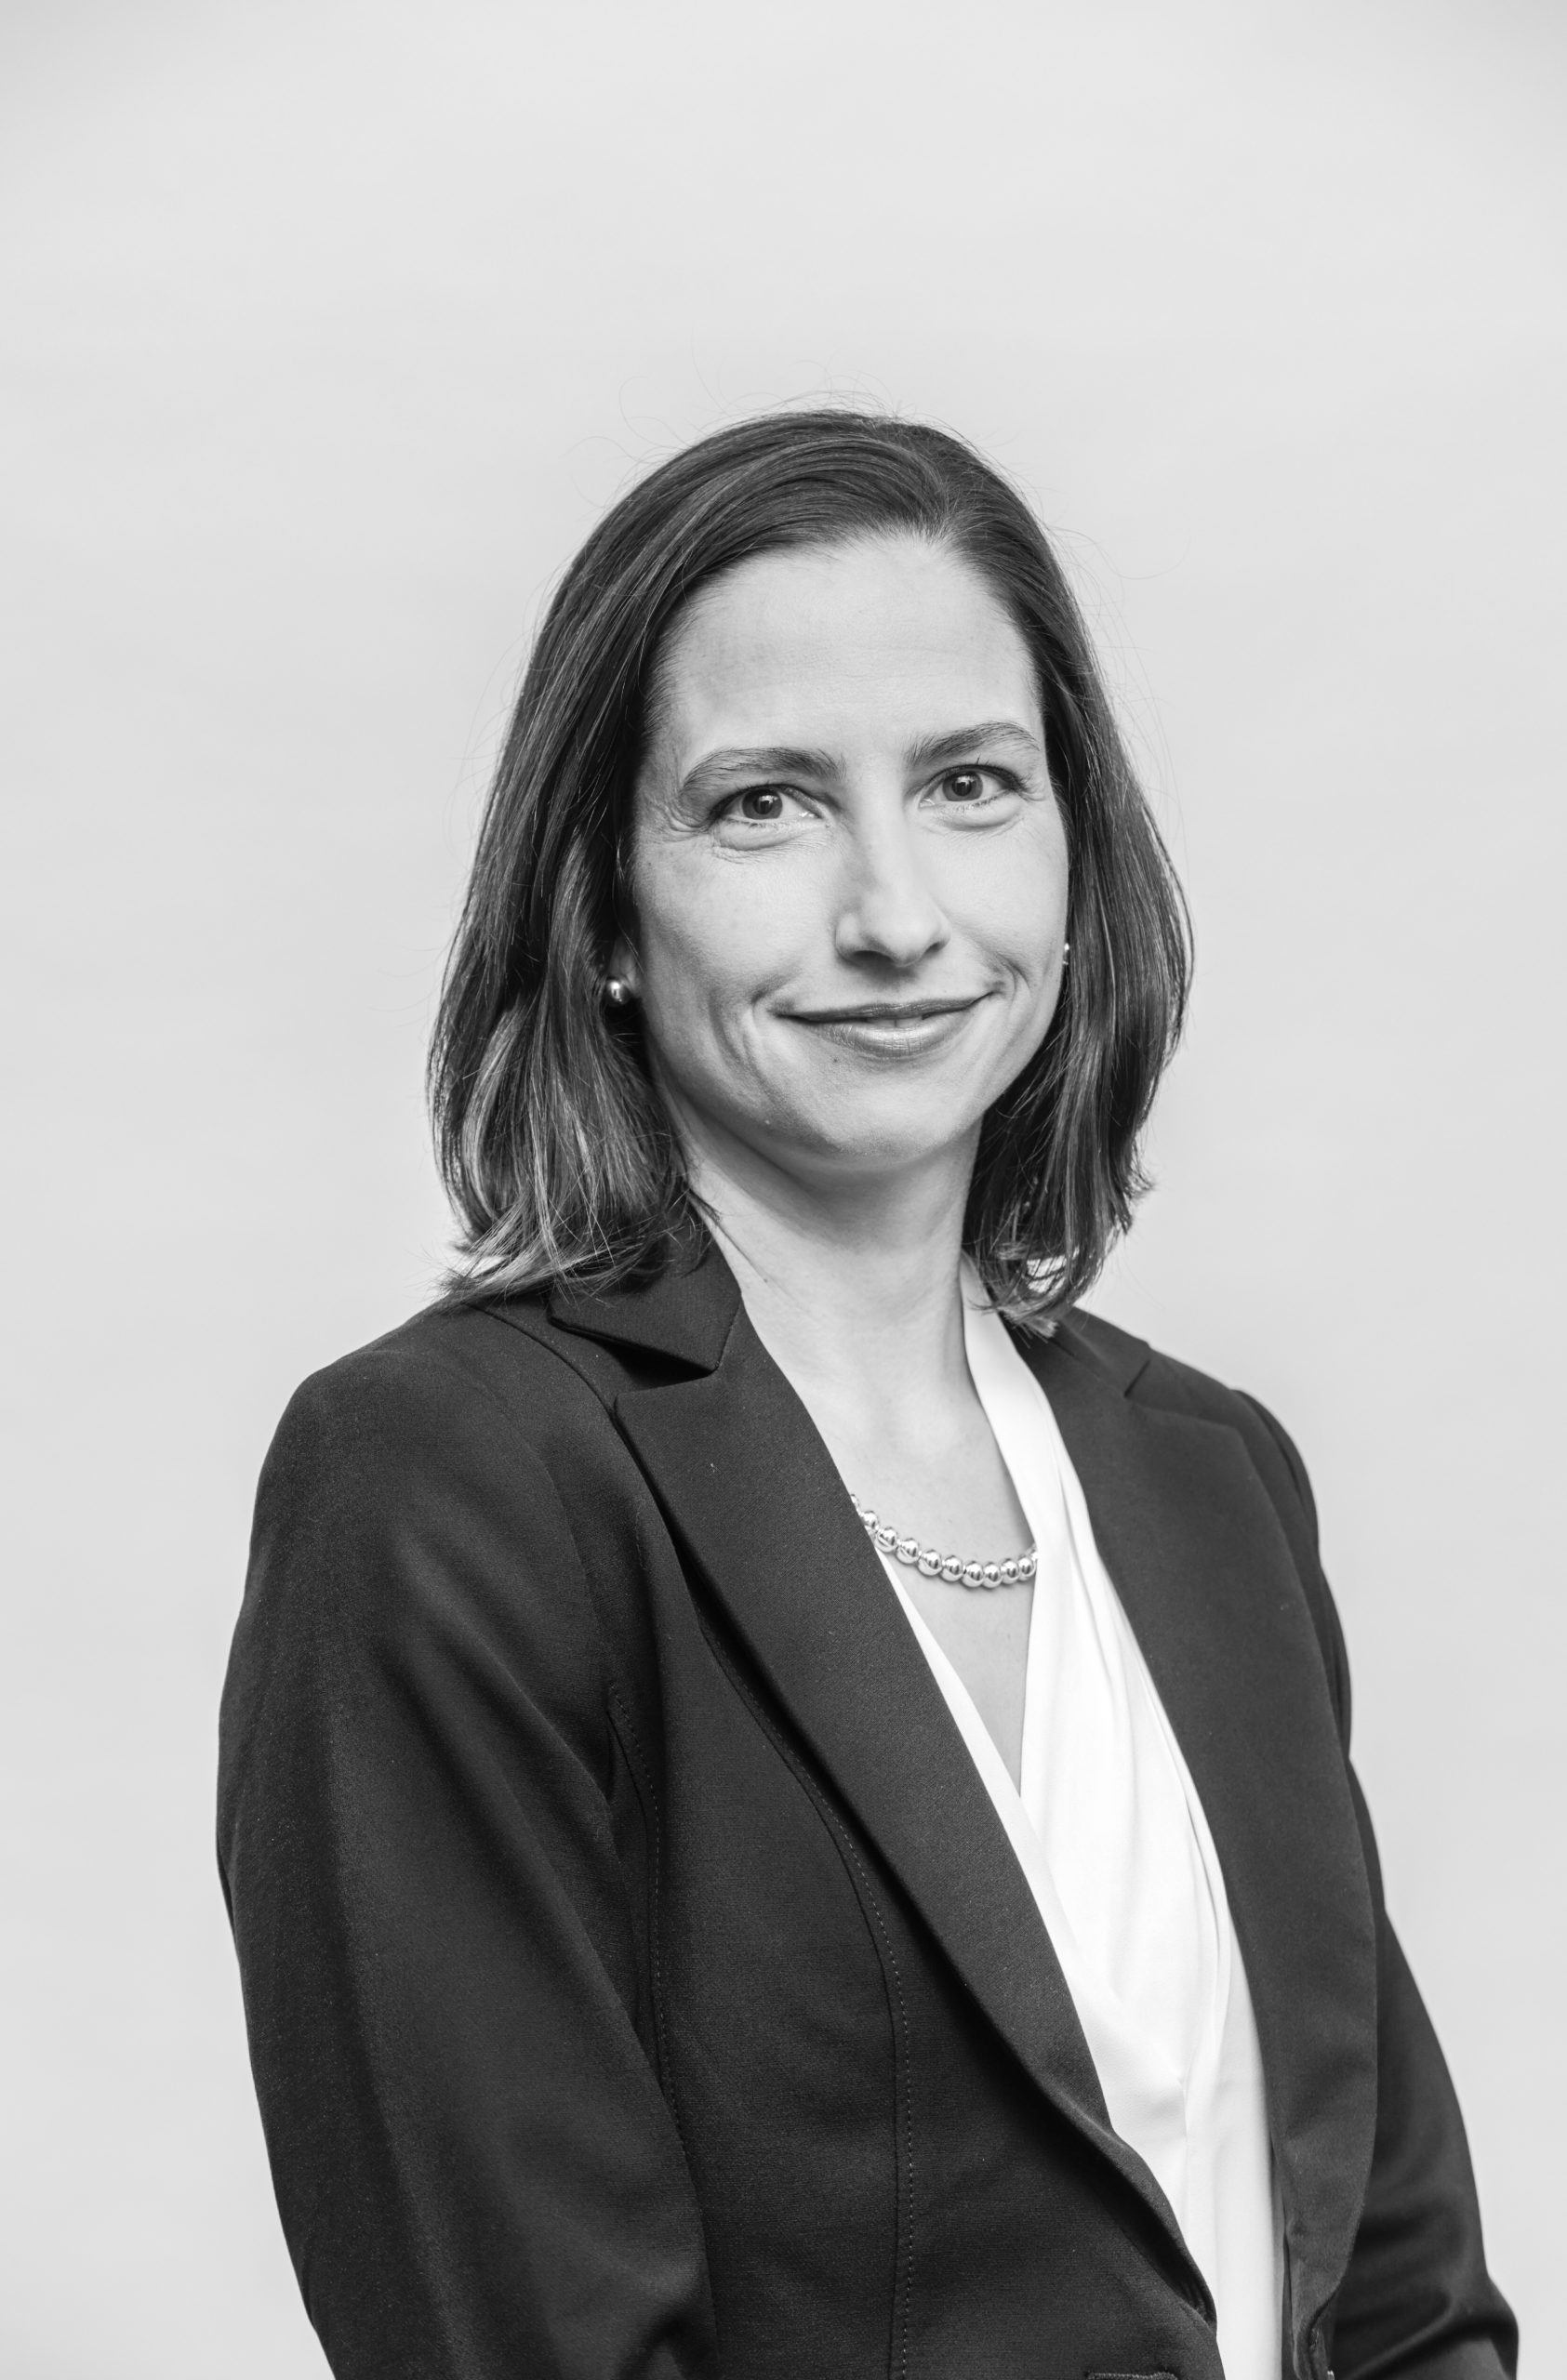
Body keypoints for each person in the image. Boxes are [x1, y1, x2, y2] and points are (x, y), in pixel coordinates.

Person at [218, 411, 1516, 2380]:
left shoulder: (1211, 1477)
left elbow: (1403, 2292)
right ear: (601, 909)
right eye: (766, 805)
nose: (895, 915)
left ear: (1073, 854)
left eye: (971, 784)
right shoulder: (449, 1479)